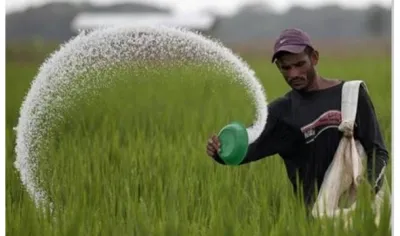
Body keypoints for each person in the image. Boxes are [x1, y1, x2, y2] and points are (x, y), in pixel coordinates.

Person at [206, 28, 389, 208]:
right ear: (279, 67)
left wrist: (365, 194)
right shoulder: (281, 113)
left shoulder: (351, 95)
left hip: (358, 212)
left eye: (300, 64)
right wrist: (220, 152)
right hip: (315, 220)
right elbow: (248, 149)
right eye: (286, 67)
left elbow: (377, 151)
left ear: (314, 58)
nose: (293, 74)